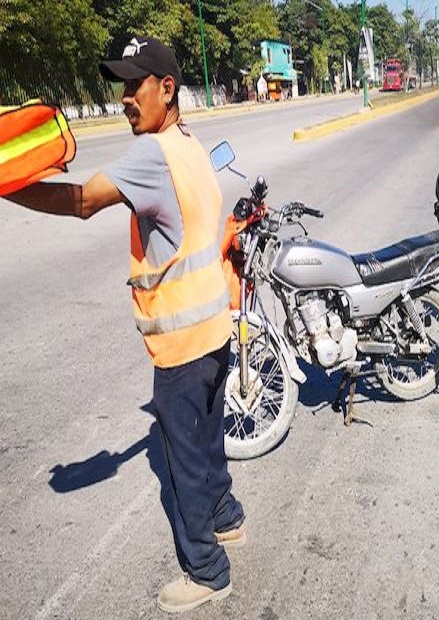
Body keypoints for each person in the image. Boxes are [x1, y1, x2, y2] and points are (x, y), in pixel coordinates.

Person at [3, 36, 244, 612]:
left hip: (182, 343)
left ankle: (208, 569)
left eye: (134, 86)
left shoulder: (152, 154)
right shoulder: (187, 142)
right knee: (209, 440)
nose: (124, 99)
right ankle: (227, 516)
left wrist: (9, 186)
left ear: (167, 88)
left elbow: (84, 200)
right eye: (121, 87)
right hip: (215, 328)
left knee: (182, 459)